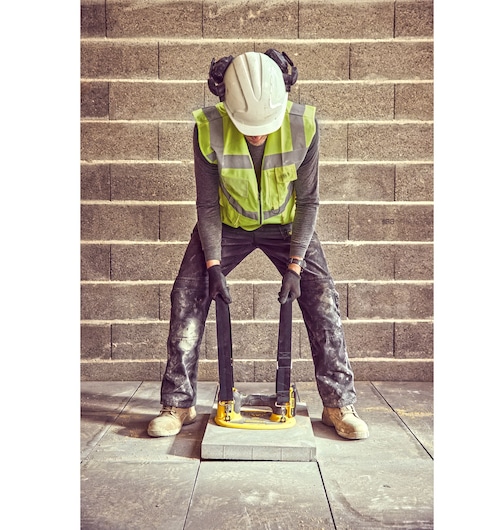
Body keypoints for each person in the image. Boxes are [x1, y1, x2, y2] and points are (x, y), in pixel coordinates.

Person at [147, 50, 369, 440]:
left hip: (285, 227)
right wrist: (213, 265)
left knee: (322, 299)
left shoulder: (304, 126)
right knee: (187, 293)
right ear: (225, 104)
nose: (257, 133)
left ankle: (339, 404)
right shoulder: (208, 128)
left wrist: (296, 265)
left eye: (264, 124)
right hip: (229, 226)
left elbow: (310, 201)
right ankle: (177, 403)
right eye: (247, 125)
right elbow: (206, 203)